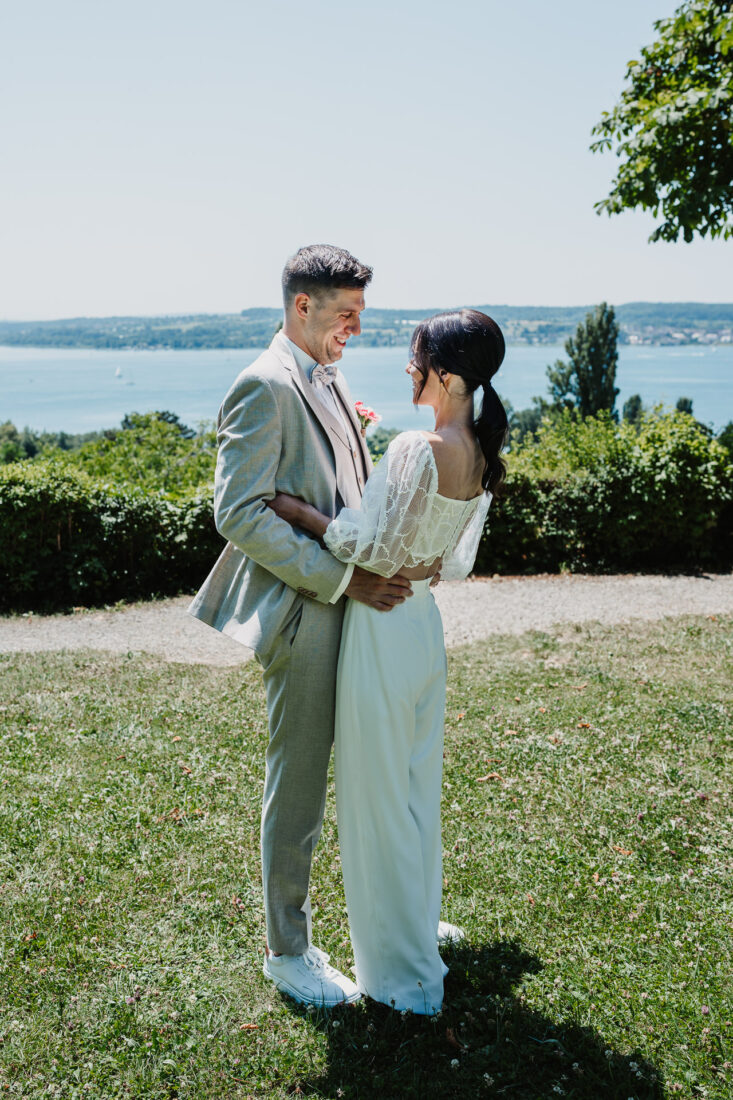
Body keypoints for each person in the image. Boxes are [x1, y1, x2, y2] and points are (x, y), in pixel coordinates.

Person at [189, 244, 415, 1007]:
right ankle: (287, 949)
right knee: (299, 785)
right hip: (301, 611)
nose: (354, 328)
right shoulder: (263, 383)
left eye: (358, 314)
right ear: (301, 306)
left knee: (368, 764)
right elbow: (238, 512)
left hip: (348, 601)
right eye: (344, 314)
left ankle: (392, 917)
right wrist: (343, 579)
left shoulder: (328, 375)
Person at [267, 308, 508, 1014]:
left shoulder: (416, 447)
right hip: (424, 624)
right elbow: (449, 561)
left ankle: (400, 973)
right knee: (412, 791)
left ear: (447, 375)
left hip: (380, 623)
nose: (407, 367)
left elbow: (364, 546)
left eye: (415, 358)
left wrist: (296, 510)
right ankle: (413, 926)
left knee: (375, 803)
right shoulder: (478, 448)